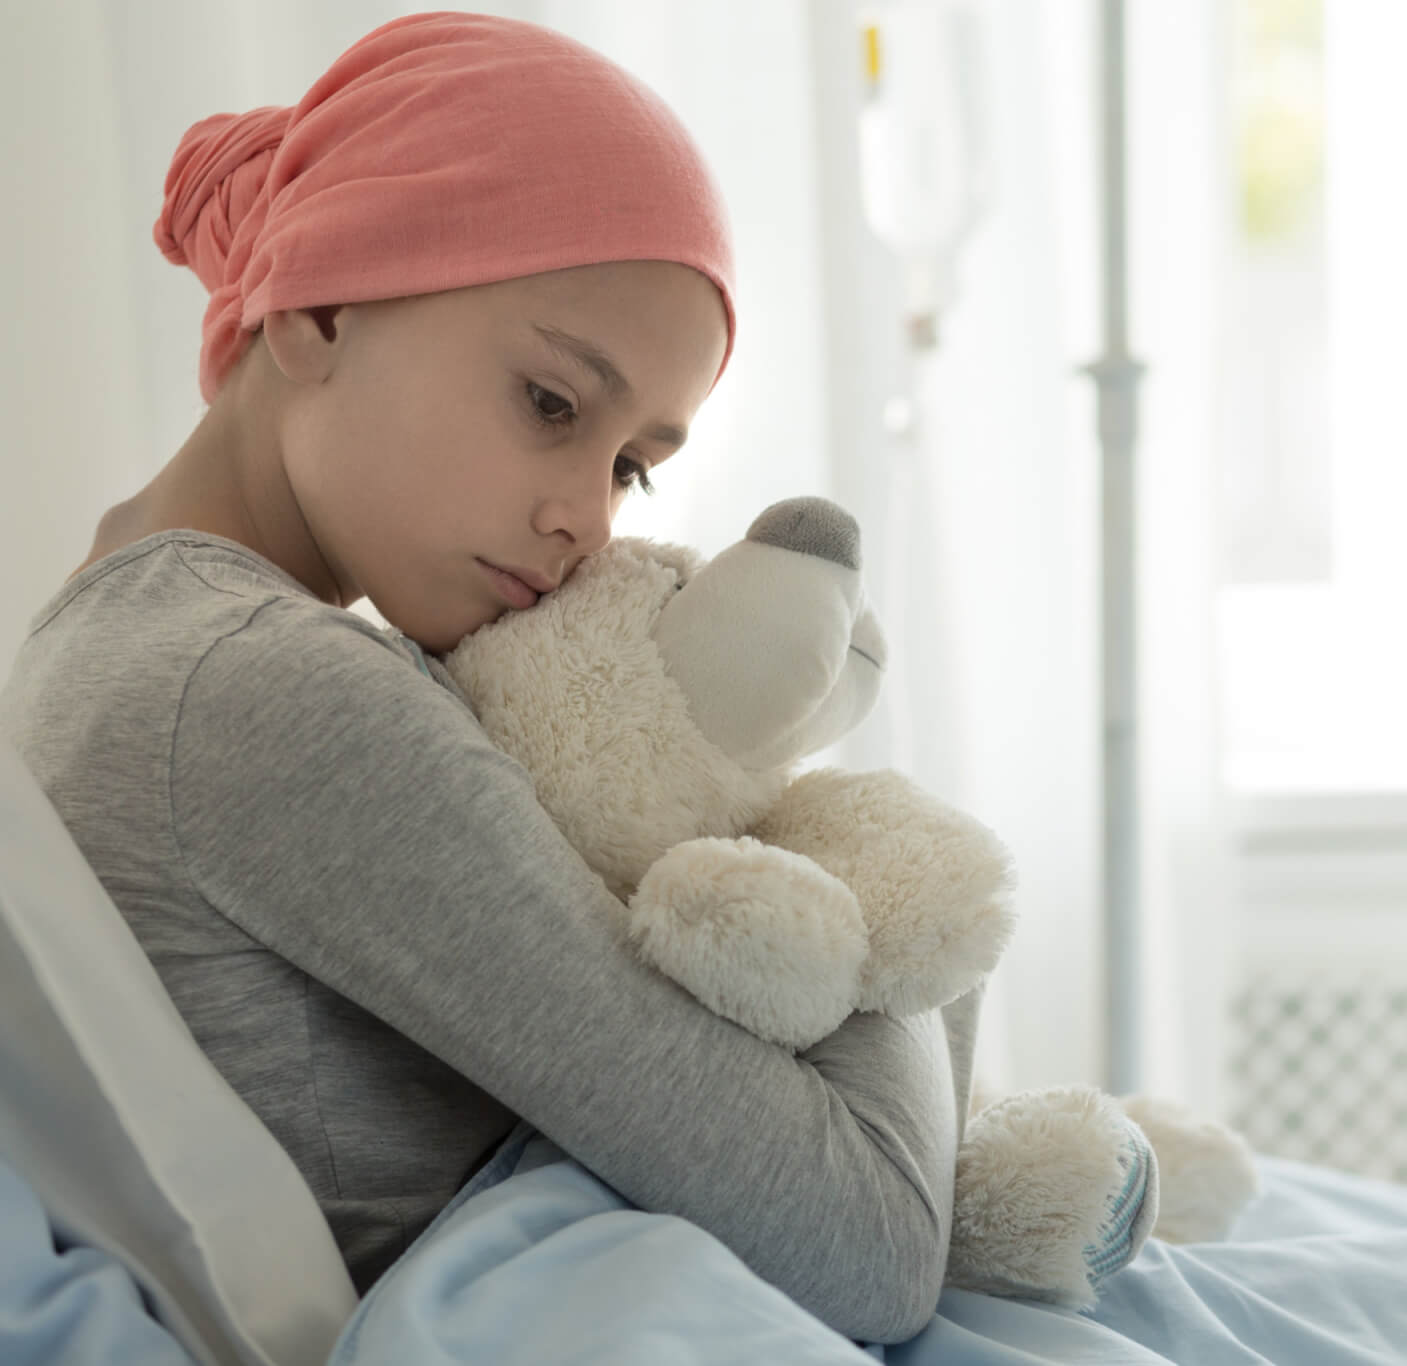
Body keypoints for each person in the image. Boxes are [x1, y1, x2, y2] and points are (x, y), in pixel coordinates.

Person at [0, 11, 988, 1346]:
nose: (590, 516)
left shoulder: (100, 632)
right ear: (319, 305)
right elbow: (867, 1241)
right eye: (550, 404)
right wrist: (860, 869)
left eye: (634, 464)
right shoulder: (267, 697)